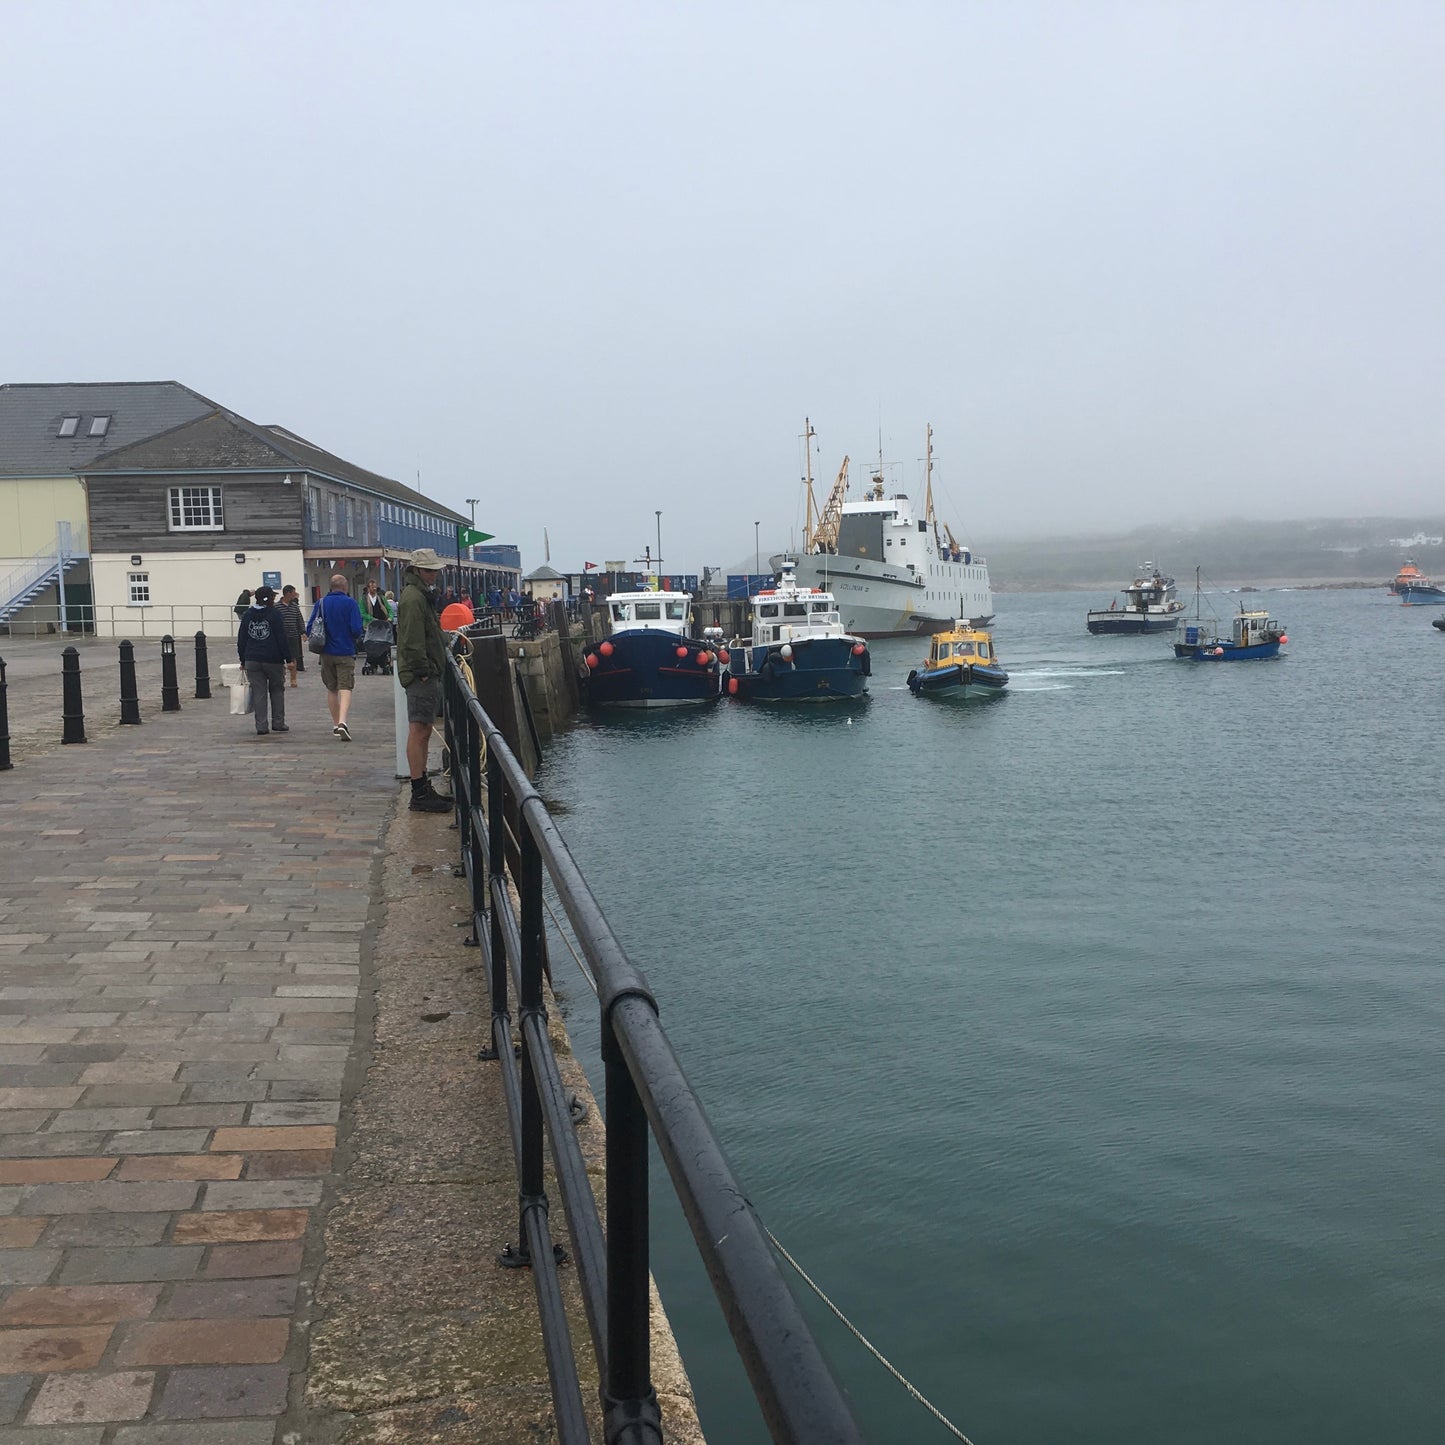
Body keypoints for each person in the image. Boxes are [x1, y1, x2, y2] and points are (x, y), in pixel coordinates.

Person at [395, 548, 451, 813]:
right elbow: (412, 640)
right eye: (429, 570)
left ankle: (422, 786)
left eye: (435, 570)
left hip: (423, 672)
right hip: (421, 675)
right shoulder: (414, 598)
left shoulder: (418, 596)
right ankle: (419, 792)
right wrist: (424, 669)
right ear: (417, 570)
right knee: (419, 731)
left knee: (424, 730)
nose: (433, 575)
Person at [307, 574, 365, 740]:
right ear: (345, 586)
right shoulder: (350, 603)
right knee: (345, 687)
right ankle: (342, 722)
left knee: (331, 688)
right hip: (345, 651)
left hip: (326, 652)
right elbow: (356, 629)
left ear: (331, 587)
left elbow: (310, 626)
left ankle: (335, 723)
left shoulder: (321, 603)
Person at [237, 585, 292, 736]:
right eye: (273, 597)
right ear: (270, 599)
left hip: (252, 658)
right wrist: (289, 658)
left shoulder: (248, 614)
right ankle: (278, 722)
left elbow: (242, 639)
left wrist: (242, 660)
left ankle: (261, 726)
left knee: (258, 692)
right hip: (273, 658)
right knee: (277, 689)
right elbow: (282, 637)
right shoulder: (274, 614)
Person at [277, 585, 305, 684]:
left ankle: (293, 679)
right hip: (280, 637)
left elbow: (299, 619)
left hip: (293, 636)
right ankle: (281, 677)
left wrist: (303, 632)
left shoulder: (294, 606)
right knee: (279, 658)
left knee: (294, 658)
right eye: (294, 592)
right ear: (288, 593)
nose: (295, 594)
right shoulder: (277, 606)